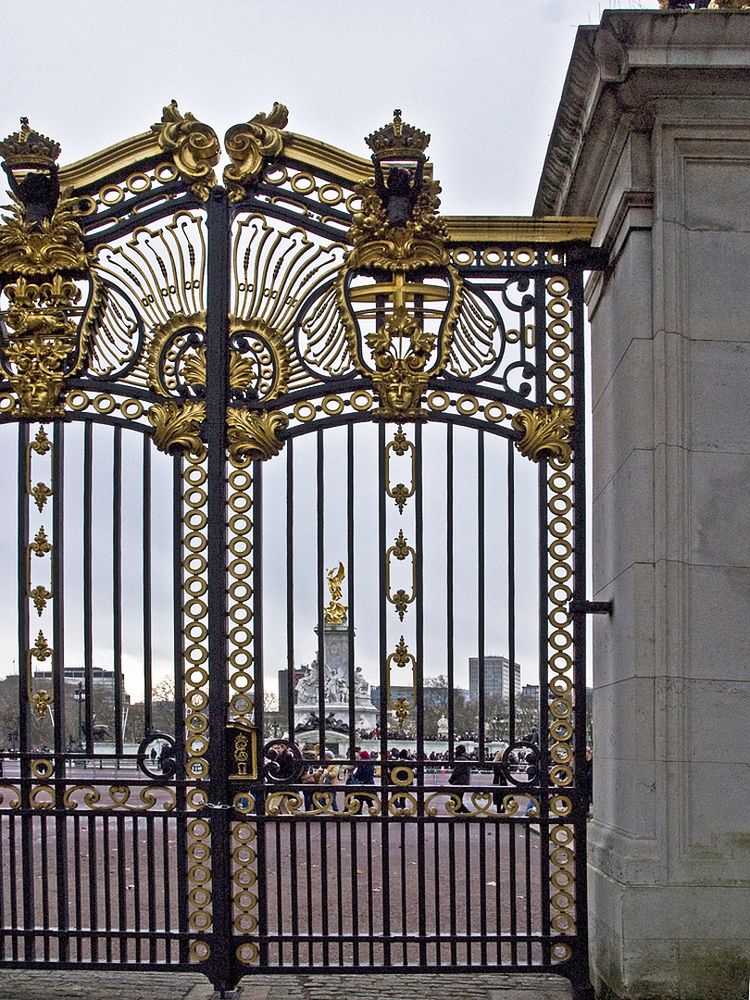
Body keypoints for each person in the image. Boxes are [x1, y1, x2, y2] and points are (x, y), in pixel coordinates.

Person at [448, 744, 471, 813]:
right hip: (464, 781)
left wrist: (451, 779)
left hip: (459, 782)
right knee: (458, 799)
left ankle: (466, 813)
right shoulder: (466, 758)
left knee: (455, 799)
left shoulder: (461, 759)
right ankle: (459, 814)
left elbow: (456, 771)